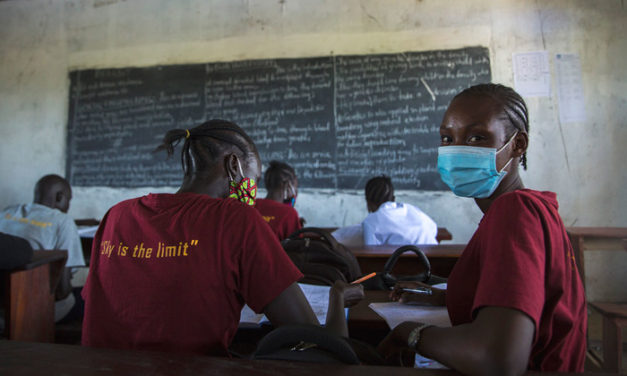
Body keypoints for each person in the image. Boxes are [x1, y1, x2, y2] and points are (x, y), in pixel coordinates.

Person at [81, 120, 362, 355]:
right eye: (253, 179)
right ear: (233, 166)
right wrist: (337, 298)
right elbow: (314, 342)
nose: (252, 190)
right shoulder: (236, 219)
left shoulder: (116, 215)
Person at [377, 84, 587, 374]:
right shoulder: (528, 209)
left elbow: (498, 359)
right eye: (447, 138)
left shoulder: (514, 212)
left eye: (477, 137)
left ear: (518, 144)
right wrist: (442, 297)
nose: (457, 149)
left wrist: (410, 333)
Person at [0, 174, 85, 322]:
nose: (68, 206)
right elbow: (62, 291)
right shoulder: (62, 221)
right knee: (90, 299)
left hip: (3, 306)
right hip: (29, 311)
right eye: (68, 200)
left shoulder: (8, 211)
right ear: (60, 197)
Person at [332, 175, 438, 247]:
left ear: (368, 202)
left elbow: (371, 252)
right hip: (432, 266)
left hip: (403, 273)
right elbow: (434, 229)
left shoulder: (371, 222)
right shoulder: (414, 210)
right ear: (394, 199)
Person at [255, 160, 302, 241]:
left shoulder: (251, 205)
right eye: (295, 185)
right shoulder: (289, 213)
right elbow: (298, 246)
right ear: (287, 185)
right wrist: (291, 202)